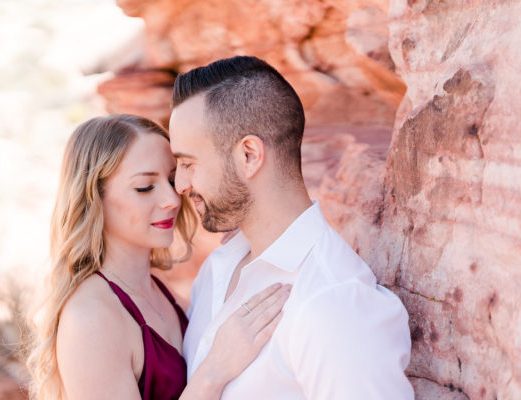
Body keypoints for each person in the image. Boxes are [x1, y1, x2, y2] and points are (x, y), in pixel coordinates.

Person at [169, 56, 414, 399]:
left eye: (188, 163)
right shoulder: (216, 270)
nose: (179, 184)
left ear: (250, 155)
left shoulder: (333, 304)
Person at [26, 114, 291, 400]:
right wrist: (214, 371)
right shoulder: (90, 318)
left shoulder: (159, 290)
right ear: (93, 198)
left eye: (172, 179)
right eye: (145, 187)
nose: (172, 199)